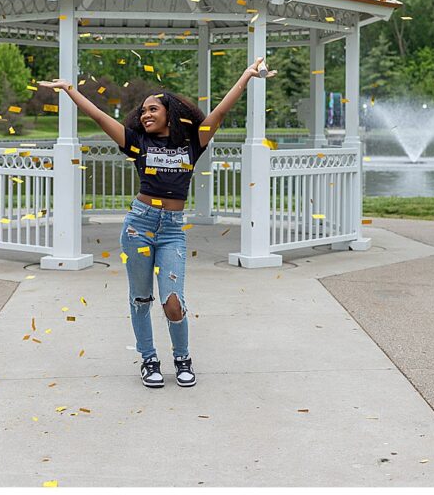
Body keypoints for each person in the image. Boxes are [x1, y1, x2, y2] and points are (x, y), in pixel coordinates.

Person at [40, 57, 271, 389]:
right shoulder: (138, 143)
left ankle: (182, 358)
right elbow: (99, 116)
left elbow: (219, 113)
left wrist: (246, 76)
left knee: (172, 300)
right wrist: (70, 91)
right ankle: (149, 360)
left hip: (173, 230)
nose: (145, 114)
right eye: (143, 111)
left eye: (153, 109)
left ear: (170, 114)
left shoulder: (192, 143)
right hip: (138, 226)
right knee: (140, 298)